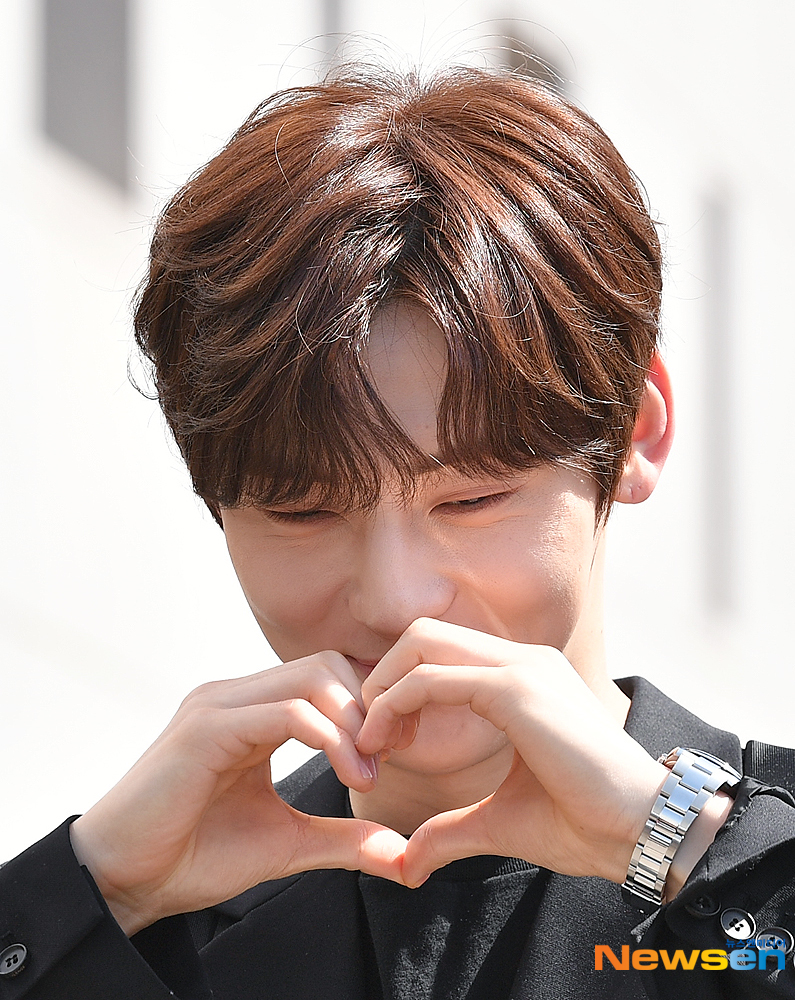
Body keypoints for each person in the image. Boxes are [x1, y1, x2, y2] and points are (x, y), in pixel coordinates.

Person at [3, 64, 795, 1000]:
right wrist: (84, 895)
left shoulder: (756, 880)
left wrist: (681, 844)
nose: (394, 598)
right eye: (302, 511)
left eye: (471, 500)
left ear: (635, 434)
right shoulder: (134, 932)